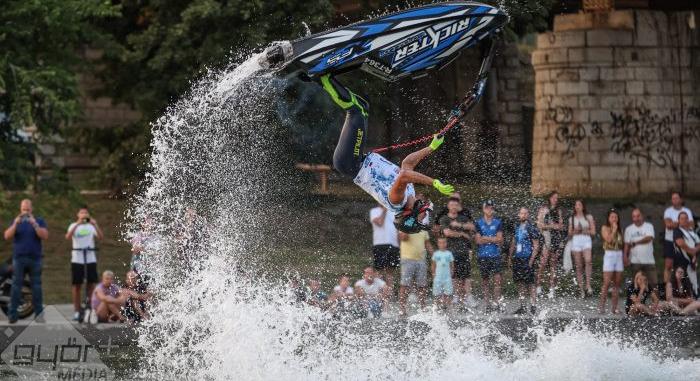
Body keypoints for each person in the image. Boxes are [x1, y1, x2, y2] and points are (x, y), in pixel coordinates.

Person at [318, 74, 454, 233]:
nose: (424, 214)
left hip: (350, 163)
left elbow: (404, 175)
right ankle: (317, 78)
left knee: (357, 110)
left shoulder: (397, 201)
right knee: (362, 106)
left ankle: (322, 76)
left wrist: (434, 183)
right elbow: (407, 164)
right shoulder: (409, 193)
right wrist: (431, 147)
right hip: (357, 160)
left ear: (410, 214)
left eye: (420, 217)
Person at [3, 199, 48, 323]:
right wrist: (15, 224)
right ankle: (13, 315)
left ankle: (39, 316)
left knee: (37, 287)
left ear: (31, 209)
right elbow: (7, 236)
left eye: (28, 210)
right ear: (20, 209)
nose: (26, 212)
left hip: (35, 258)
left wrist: (34, 224)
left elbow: (44, 236)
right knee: (16, 287)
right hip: (19, 258)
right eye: (24, 209)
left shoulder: (39, 220)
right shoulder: (16, 221)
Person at [65, 206, 104, 321]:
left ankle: (90, 308)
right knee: (77, 285)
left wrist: (95, 224)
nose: (83, 215)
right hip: (77, 259)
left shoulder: (91, 226)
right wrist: (78, 223)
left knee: (91, 284)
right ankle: (77, 311)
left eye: (86, 213)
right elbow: (67, 237)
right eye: (81, 212)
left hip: (90, 258)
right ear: (78, 214)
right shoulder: (73, 225)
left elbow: (101, 237)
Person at [438, 196, 476, 308]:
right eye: (451, 205)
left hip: (464, 250)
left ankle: (468, 297)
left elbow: (473, 227)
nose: (454, 207)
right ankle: (455, 296)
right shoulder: (444, 219)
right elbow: (447, 233)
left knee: (466, 275)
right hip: (450, 252)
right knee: (454, 275)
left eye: (456, 205)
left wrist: (459, 225)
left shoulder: (463, 218)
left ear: (458, 206)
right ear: (448, 206)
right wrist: (462, 234)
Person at [509, 207, 540, 315]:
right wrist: (510, 257)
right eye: (521, 213)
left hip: (527, 257)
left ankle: (533, 306)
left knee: (530, 283)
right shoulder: (516, 227)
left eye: (525, 213)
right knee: (520, 282)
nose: (523, 215)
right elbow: (514, 242)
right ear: (519, 215)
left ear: (528, 215)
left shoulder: (531, 228)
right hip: (518, 258)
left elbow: (536, 246)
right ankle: (522, 306)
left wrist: (531, 260)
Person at [475, 200, 504, 312]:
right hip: (483, 255)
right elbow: (478, 240)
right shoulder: (478, 223)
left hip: (495, 255)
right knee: (485, 281)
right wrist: (493, 239)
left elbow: (500, 239)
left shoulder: (498, 222)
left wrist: (485, 238)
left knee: (497, 280)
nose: (489, 209)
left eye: (491, 207)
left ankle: (497, 304)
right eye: (487, 207)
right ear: (483, 209)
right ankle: (487, 304)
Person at [536, 191, 565, 298]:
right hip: (546, 236)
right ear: (549, 198)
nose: (555, 199)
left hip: (556, 237)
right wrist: (552, 226)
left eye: (557, 198)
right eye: (553, 197)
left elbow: (561, 225)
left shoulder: (559, 210)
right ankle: (538, 286)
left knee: (553, 264)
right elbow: (539, 225)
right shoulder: (543, 209)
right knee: (543, 262)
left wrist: (557, 226)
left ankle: (552, 288)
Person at [398, 226, 433, 316]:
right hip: (407, 259)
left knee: (422, 286)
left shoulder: (423, 228)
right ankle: (402, 309)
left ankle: (423, 308)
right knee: (405, 285)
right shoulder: (405, 224)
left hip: (421, 259)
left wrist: (434, 255)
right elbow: (402, 238)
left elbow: (427, 243)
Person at [623, 208, 658, 291]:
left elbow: (649, 238)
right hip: (635, 261)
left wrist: (635, 242)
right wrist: (625, 257)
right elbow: (627, 244)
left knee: (654, 284)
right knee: (636, 285)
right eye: (634, 216)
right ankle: (637, 303)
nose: (636, 218)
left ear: (642, 216)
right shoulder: (629, 229)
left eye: (638, 216)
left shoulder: (649, 226)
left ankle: (655, 303)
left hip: (649, 261)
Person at [663, 192, 694, 283]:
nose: (674, 200)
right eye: (673, 198)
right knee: (668, 265)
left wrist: (675, 223)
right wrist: (683, 223)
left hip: (683, 241)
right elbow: (668, 225)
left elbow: (691, 226)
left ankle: (684, 288)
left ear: (681, 199)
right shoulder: (668, 211)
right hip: (670, 241)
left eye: (676, 198)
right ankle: (667, 287)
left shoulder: (687, 211)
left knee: (683, 265)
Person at [568, 199, 595, 298]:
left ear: (583, 206)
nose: (577, 206)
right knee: (578, 265)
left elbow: (593, 232)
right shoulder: (572, 218)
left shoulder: (588, 217)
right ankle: (581, 288)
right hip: (576, 241)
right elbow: (569, 233)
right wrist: (576, 230)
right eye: (576, 205)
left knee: (588, 260)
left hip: (586, 240)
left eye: (579, 204)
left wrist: (584, 230)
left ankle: (588, 284)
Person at [599, 209, 624, 314]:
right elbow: (608, 240)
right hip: (609, 255)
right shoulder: (605, 228)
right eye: (612, 217)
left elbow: (622, 244)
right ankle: (601, 306)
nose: (614, 219)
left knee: (617, 283)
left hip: (618, 255)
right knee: (606, 282)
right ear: (608, 219)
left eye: (616, 217)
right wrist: (613, 230)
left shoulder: (620, 230)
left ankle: (614, 307)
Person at [369, 205, 400, 292]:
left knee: (390, 272)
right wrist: (384, 211)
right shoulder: (374, 211)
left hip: (394, 245)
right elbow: (380, 222)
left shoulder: (394, 211)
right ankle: (378, 293)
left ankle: (388, 295)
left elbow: (398, 228)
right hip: (380, 244)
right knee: (379, 271)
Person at [672, 211, 699, 295]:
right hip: (681, 263)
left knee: (694, 283)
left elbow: (698, 243)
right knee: (682, 283)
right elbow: (680, 243)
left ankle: (695, 300)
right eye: (682, 218)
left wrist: (695, 251)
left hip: (692, 262)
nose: (684, 220)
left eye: (686, 218)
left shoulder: (692, 232)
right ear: (679, 220)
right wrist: (692, 251)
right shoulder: (677, 231)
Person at [431, 237, 454, 311]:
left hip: (447, 277)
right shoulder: (436, 254)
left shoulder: (449, 253)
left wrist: (452, 272)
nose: (442, 244)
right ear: (438, 244)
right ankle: (436, 306)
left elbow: (452, 264)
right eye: (440, 242)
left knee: (448, 292)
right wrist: (433, 274)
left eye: (444, 242)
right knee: (436, 293)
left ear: (446, 243)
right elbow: (433, 264)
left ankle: (447, 306)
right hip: (438, 277)